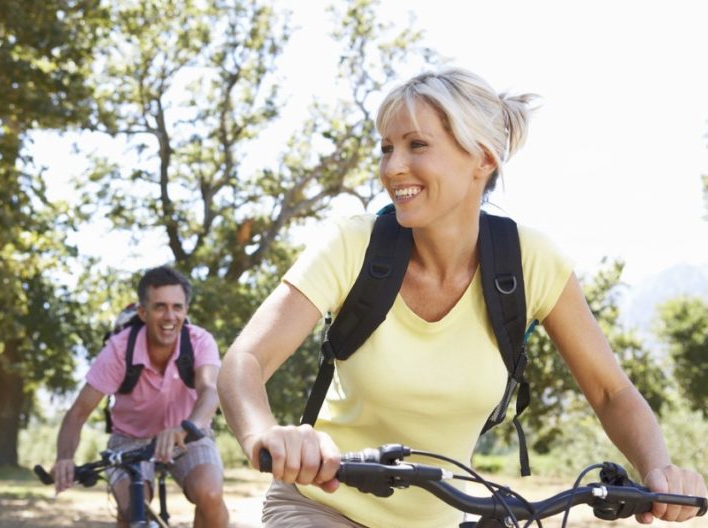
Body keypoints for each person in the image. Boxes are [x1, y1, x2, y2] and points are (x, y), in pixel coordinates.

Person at [216, 67, 707, 528]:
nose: (393, 167)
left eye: (417, 145)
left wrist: (659, 468)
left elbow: (610, 392)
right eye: (387, 148)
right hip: (321, 506)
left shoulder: (529, 262)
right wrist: (265, 433)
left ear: (483, 158)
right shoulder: (354, 244)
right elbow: (246, 359)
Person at [53, 265, 229, 528]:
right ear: (143, 312)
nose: (170, 316)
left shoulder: (199, 341)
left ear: (185, 310)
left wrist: (186, 427)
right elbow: (78, 413)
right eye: (160, 307)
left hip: (187, 434)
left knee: (210, 492)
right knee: (133, 510)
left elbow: (210, 390)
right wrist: (64, 457)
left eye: (177, 307)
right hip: (130, 440)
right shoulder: (119, 350)